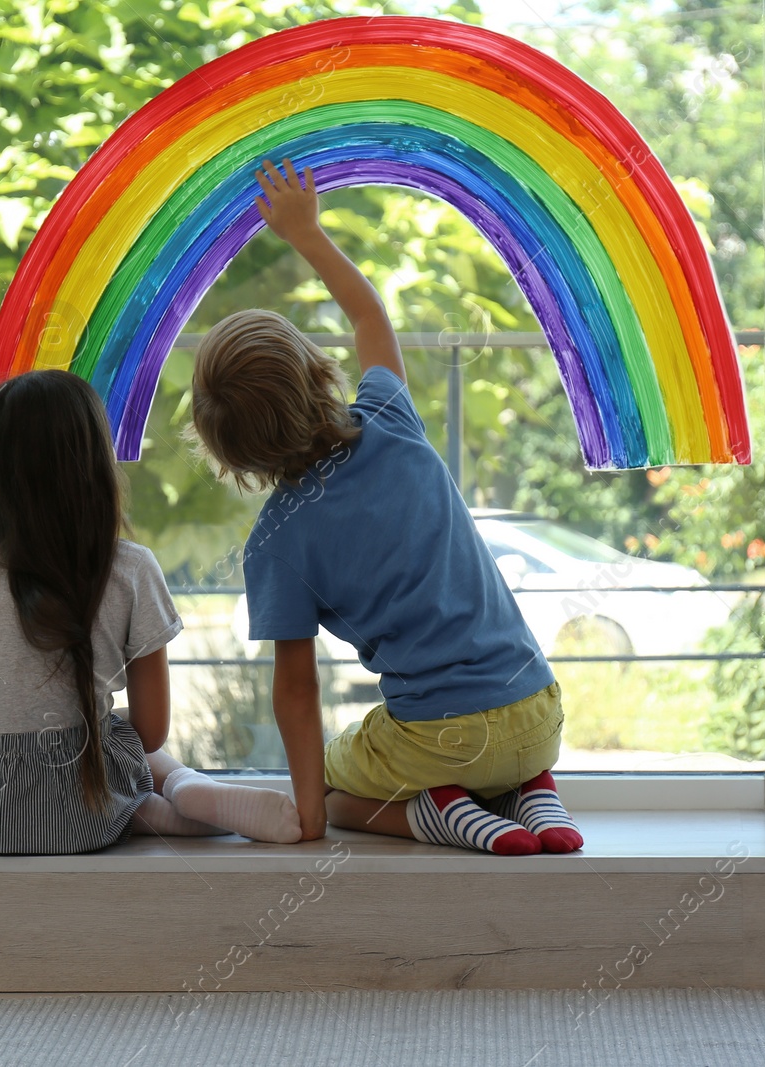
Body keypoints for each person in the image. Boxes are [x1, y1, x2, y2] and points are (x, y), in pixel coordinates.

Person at [188, 159, 583, 854]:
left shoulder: (276, 541)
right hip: (541, 710)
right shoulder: (389, 418)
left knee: (344, 785)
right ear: (318, 369)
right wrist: (304, 233)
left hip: (442, 746)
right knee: (493, 738)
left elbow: (297, 692)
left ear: (237, 458)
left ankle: (438, 818)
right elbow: (368, 313)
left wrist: (311, 811)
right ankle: (535, 794)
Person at [0, 369, 301, 854]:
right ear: (97, 464)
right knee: (115, 735)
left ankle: (144, 807)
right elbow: (152, 730)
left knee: (87, 726)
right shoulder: (130, 568)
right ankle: (179, 791)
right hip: (76, 806)